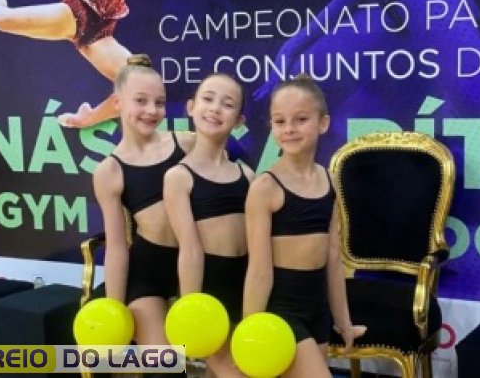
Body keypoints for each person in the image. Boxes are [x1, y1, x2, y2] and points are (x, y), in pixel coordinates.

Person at [243, 74, 366, 377]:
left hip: (317, 309)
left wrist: (344, 322)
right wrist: (249, 333)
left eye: (300, 119)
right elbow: (258, 270)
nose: (289, 129)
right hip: (282, 310)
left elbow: (333, 258)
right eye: (280, 121)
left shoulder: (329, 180)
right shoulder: (265, 188)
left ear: (323, 123)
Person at [91, 54, 194, 372]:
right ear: (117, 103)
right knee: (165, 365)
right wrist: (115, 311)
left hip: (198, 265)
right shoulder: (109, 171)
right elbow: (117, 249)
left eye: (159, 103)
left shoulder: (187, 144)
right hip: (148, 274)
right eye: (141, 101)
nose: (152, 110)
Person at [163, 73, 254, 377]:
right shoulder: (178, 177)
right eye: (208, 99)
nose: (215, 108)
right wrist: (192, 311)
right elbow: (189, 249)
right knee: (230, 369)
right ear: (190, 107)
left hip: (244, 286)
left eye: (227, 104)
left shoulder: (247, 175)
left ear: (239, 121)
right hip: (207, 287)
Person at [0, 0, 133, 128]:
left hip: (101, 30)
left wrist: (88, 119)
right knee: (1, 19)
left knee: (136, 87)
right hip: (78, 13)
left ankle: (86, 118)